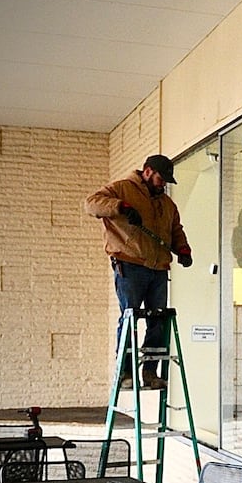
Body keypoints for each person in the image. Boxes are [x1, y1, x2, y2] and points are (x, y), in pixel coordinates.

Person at [85, 154, 193, 390]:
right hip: (130, 264)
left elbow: (175, 229)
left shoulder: (167, 204)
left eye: (165, 180)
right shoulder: (123, 188)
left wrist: (183, 249)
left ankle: (150, 373)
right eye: (159, 178)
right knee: (130, 318)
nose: (162, 184)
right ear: (147, 171)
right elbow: (91, 203)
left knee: (159, 321)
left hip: (158, 269)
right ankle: (125, 373)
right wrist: (119, 206)